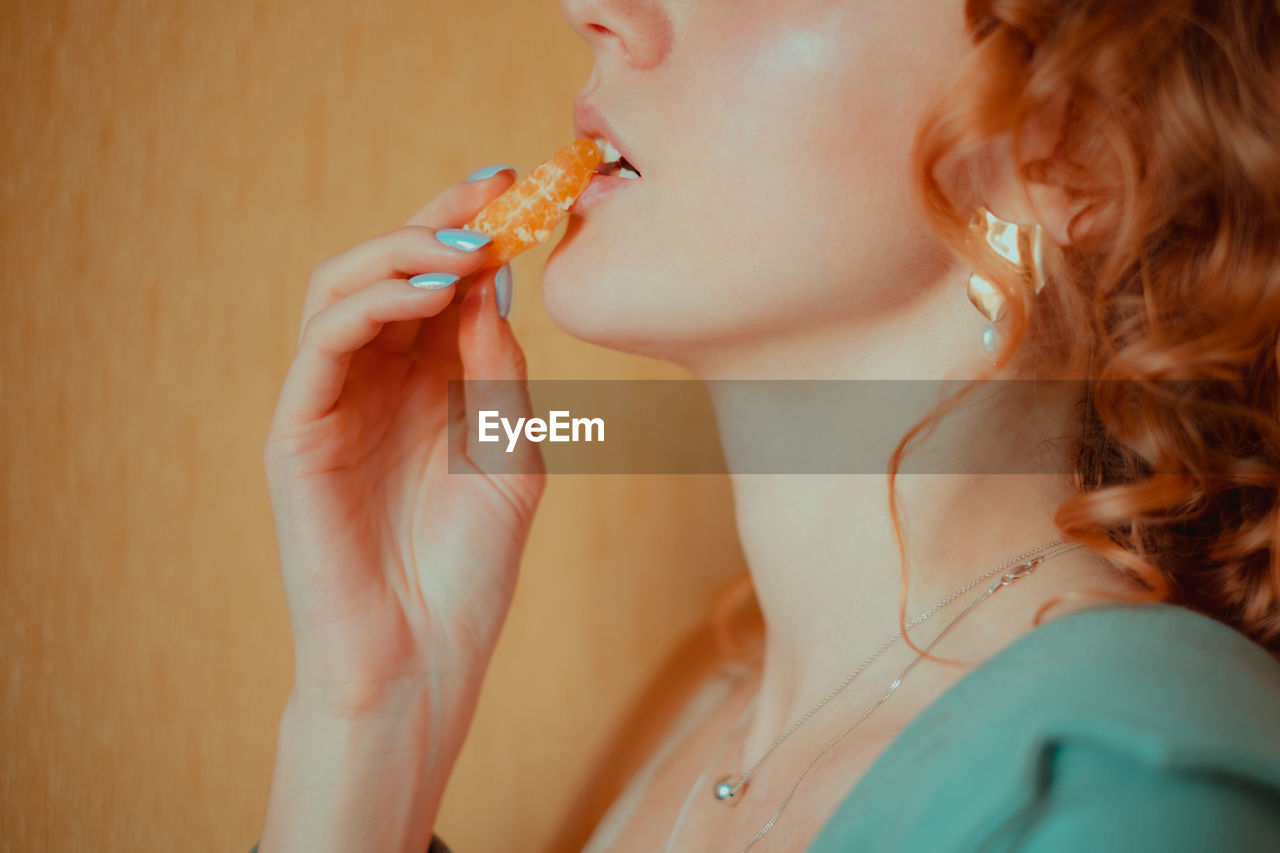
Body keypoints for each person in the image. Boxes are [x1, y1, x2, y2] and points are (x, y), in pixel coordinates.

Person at [255, 1, 1280, 851]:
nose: (596, 10)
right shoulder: (681, 726)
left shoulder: (1127, 791)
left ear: (1078, 156)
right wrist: (375, 716)